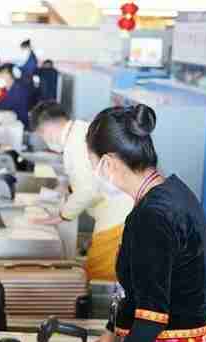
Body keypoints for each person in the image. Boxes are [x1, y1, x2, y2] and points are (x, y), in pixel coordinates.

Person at [85, 105, 206, 342]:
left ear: (108, 163)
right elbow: (137, 290)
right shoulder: (174, 191)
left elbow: (151, 320)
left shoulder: (151, 217)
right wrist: (109, 337)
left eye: (93, 163)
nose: (94, 173)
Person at [30, 102, 133, 280]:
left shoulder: (74, 144)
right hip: (121, 211)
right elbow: (92, 178)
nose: (45, 139)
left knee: (99, 274)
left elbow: (88, 189)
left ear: (47, 127)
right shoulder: (80, 131)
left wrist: (62, 215)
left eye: (42, 134)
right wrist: (69, 189)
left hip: (118, 219)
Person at [0, 64, 31, 128]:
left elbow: (7, 105)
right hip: (8, 122)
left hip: (20, 124)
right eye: (1, 74)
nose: (1, 76)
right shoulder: (3, 88)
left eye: (4, 74)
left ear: (12, 75)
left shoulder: (19, 89)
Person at [17, 39, 38, 108]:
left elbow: (29, 69)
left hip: (27, 82)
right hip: (27, 81)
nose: (22, 50)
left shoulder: (32, 58)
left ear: (27, 48)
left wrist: (18, 69)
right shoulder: (29, 56)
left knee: (27, 102)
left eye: (23, 49)